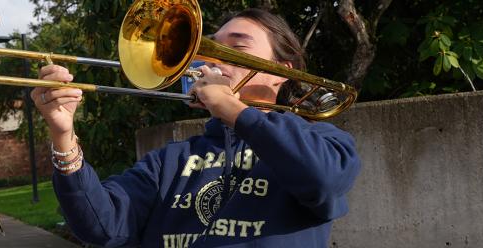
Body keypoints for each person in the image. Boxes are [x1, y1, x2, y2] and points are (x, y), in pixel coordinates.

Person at [31, 8, 361, 247]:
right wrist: (63, 136)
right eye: (209, 48)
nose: (210, 60)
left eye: (237, 47)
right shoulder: (168, 160)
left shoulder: (322, 140)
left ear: (280, 72)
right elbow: (102, 226)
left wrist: (234, 108)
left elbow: (325, 179)